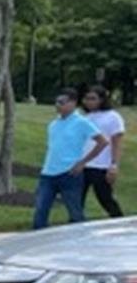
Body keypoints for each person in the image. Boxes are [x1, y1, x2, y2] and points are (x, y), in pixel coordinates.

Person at [33, 87, 108, 230]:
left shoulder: (81, 122)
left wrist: (83, 162)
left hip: (69, 174)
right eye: (56, 102)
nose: (58, 105)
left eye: (62, 102)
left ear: (73, 103)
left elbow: (102, 141)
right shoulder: (53, 124)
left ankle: (80, 242)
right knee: (40, 211)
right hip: (48, 174)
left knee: (75, 213)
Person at [79, 84, 125, 218]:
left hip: (101, 165)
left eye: (93, 99)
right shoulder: (85, 117)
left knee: (105, 198)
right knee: (76, 199)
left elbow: (116, 142)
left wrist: (114, 164)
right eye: (87, 99)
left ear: (102, 100)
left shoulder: (112, 117)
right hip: (83, 164)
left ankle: (119, 220)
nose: (89, 102)